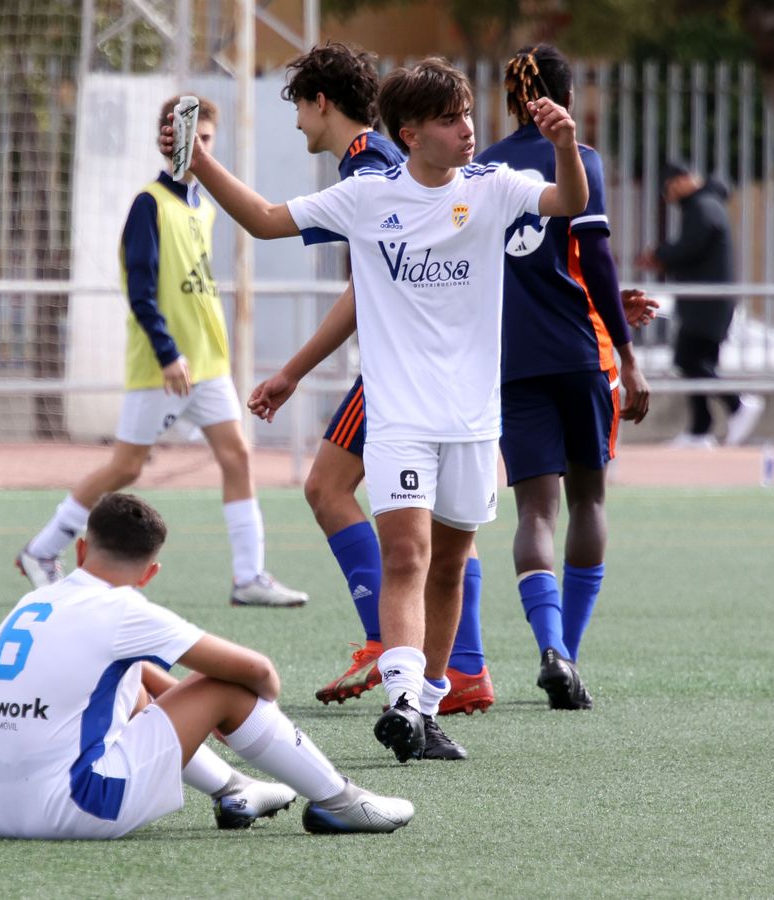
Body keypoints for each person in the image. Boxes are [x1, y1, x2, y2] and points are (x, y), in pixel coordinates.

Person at [165, 58, 588, 763]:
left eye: (466, 114)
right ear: (410, 134)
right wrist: (200, 161)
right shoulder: (367, 195)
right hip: (399, 419)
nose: (467, 129)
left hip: (474, 421)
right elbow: (266, 221)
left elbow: (568, 202)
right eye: (450, 119)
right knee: (407, 555)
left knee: (450, 566)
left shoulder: (493, 187)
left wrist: (566, 145)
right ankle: (401, 699)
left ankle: (427, 709)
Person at [245, 42, 494, 718]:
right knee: (437, 528)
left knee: (335, 492)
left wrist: (292, 370)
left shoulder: (374, 165)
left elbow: (367, 292)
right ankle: (459, 664)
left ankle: (400, 646)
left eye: (299, 107)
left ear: (320, 102)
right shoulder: (376, 162)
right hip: (417, 373)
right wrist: (293, 372)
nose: (298, 123)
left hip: (406, 375)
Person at [0, 492, 415, 838]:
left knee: (128, 681)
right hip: (75, 808)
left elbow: (127, 672)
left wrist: (186, 710)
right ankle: (341, 801)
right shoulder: (122, 609)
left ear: (82, 550)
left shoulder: (36, 601)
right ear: (150, 573)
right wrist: (238, 710)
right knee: (227, 688)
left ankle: (235, 789)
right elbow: (260, 673)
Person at [15, 96, 308, 609]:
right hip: (163, 365)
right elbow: (141, 288)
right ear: (165, 140)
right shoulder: (149, 203)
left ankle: (249, 576)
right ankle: (41, 550)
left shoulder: (205, 208)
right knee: (127, 467)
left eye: (207, 139)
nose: (199, 147)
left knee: (238, 456)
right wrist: (168, 352)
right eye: (191, 137)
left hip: (208, 365)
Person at [478, 45, 652, 711]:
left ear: (511, 101)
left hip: (512, 361)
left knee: (534, 512)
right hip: (580, 353)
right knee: (590, 501)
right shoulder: (579, 158)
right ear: (566, 99)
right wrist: (627, 352)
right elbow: (596, 257)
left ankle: (549, 643)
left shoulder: (481, 166)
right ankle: (567, 657)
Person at [637, 159, 763, 448]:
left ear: (681, 181)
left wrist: (660, 254)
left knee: (688, 359)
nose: (668, 197)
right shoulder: (706, 205)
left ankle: (737, 405)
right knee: (698, 363)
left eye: (668, 189)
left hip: (707, 303)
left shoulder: (702, 206)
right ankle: (700, 431)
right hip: (707, 302)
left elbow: (692, 246)